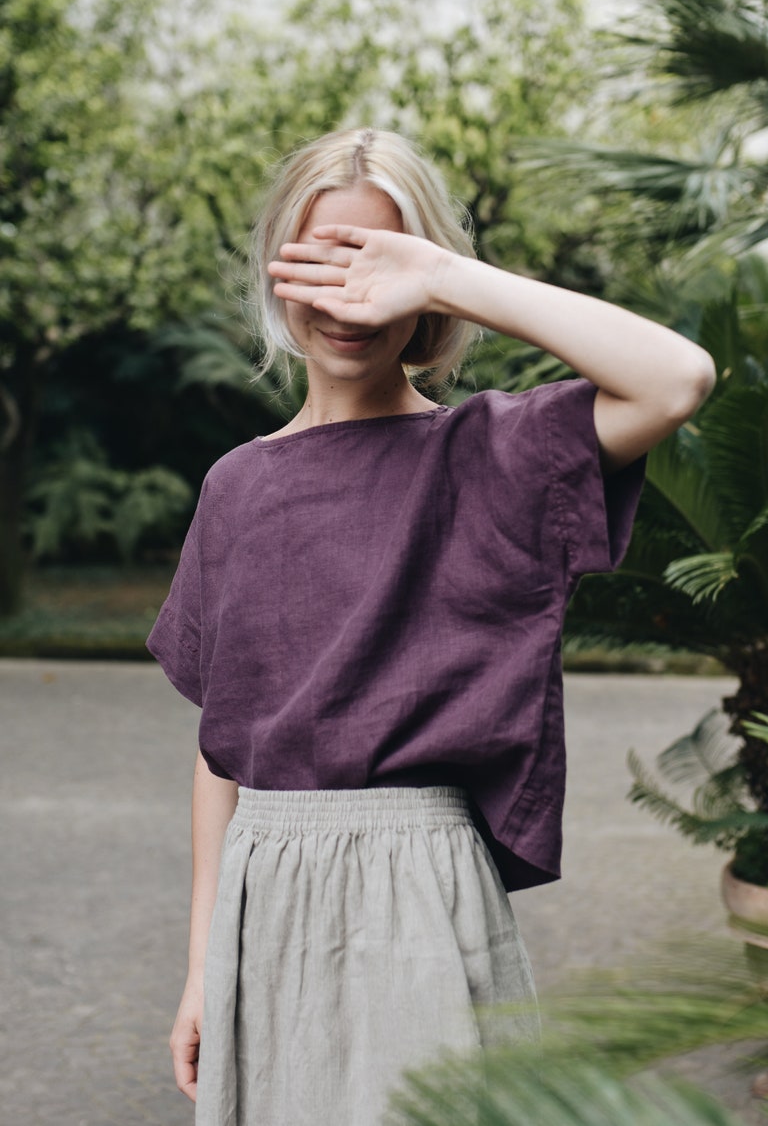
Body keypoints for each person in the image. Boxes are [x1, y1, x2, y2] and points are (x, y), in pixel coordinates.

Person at [147, 127, 715, 1125]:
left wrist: (445, 274)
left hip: (418, 889)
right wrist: (200, 967)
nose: (350, 296)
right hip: (263, 889)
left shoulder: (492, 454)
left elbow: (673, 380)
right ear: (277, 269)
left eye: (379, 261)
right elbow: (219, 750)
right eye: (322, 257)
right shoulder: (236, 486)